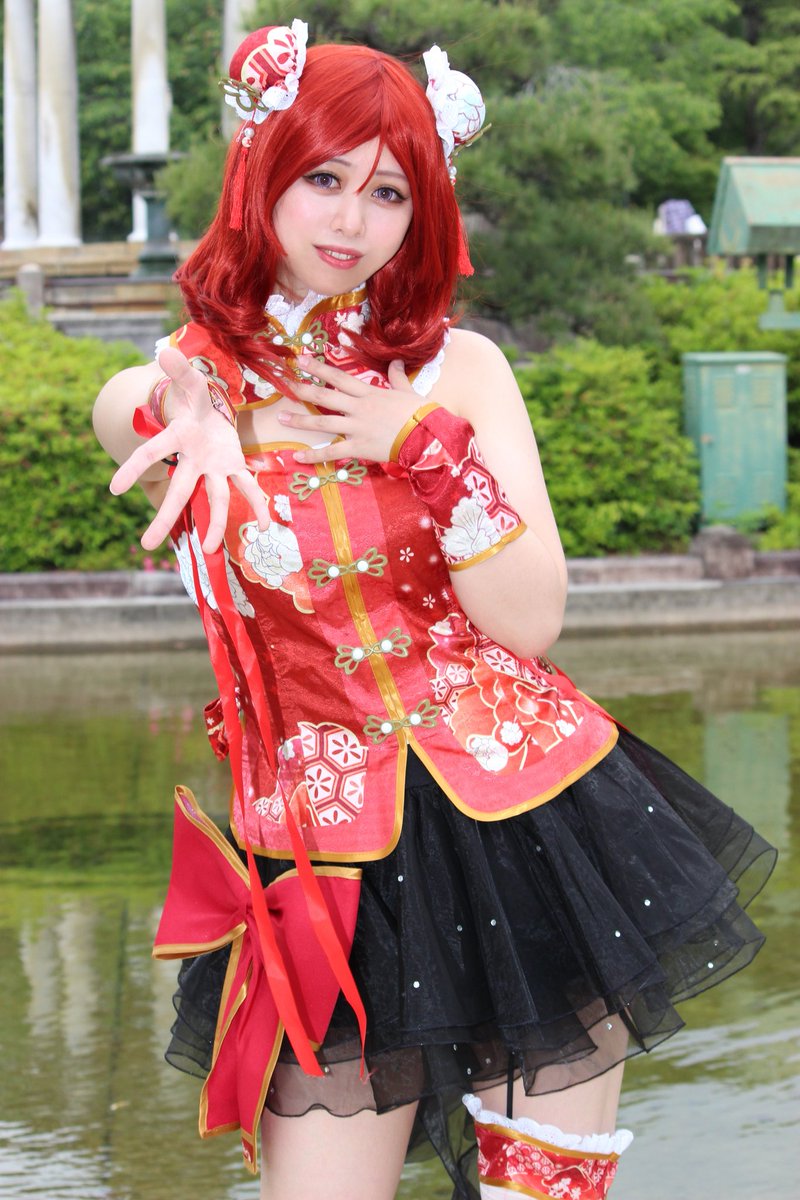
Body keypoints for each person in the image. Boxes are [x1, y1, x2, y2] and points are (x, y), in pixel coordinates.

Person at [93, 23, 776, 1200]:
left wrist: (422, 448)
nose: (350, 221)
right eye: (323, 178)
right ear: (261, 172)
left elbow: (530, 623)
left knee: (540, 1189)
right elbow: (123, 406)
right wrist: (178, 405)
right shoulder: (200, 390)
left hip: (526, 818)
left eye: (387, 192)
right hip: (322, 859)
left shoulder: (461, 371)